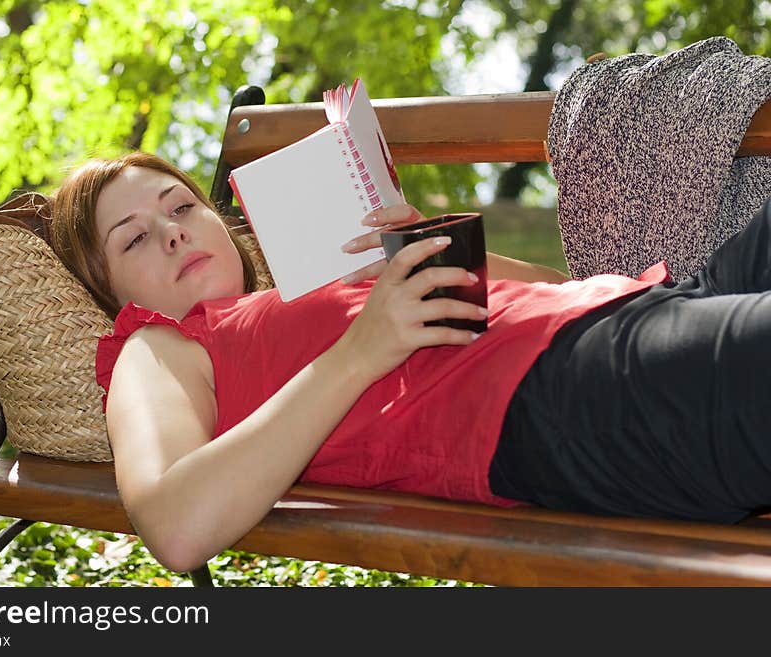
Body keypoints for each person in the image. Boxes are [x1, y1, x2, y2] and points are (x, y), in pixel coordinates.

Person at [48, 151, 771, 574]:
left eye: (178, 207)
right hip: (567, 399)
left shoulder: (302, 289)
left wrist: (431, 248)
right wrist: (360, 352)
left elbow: (547, 293)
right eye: (132, 240)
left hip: (635, 313)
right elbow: (176, 524)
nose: (171, 234)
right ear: (107, 291)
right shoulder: (158, 347)